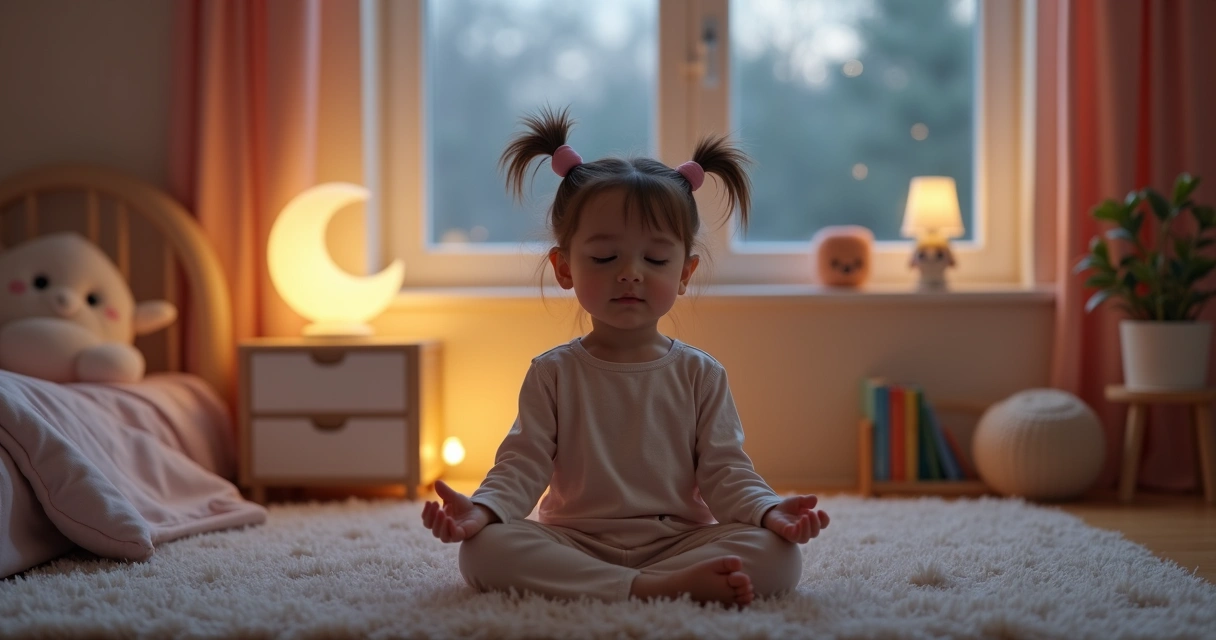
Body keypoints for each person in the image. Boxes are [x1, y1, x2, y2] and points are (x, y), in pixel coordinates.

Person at [421, 106, 830, 607]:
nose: (631, 273)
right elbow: (521, 465)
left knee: (779, 555)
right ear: (564, 266)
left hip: (679, 542)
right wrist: (480, 512)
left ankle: (651, 580)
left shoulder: (700, 374)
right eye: (605, 257)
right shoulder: (553, 373)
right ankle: (649, 590)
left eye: (656, 259)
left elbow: (727, 471)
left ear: (685, 272)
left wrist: (770, 513)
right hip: (574, 540)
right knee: (483, 551)